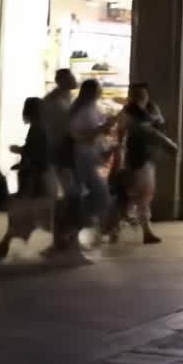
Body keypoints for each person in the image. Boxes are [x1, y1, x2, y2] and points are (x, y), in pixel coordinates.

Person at [0, 97, 56, 260]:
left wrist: (19, 152)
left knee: (21, 213)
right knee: (28, 215)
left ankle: (4, 247)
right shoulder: (41, 128)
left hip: (34, 179)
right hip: (38, 178)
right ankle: (7, 246)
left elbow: (36, 155)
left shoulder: (37, 130)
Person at [107, 83, 177, 245]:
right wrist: (167, 144)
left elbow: (157, 128)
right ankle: (143, 231)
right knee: (139, 194)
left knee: (135, 196)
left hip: (146, 157)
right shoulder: (129, 112)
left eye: (143, 94)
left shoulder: (152, 109)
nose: (140, 97)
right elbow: (141, 131)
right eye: (137, 94)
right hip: (134, 158)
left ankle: (117, 229)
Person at [67, 79, 114, 247]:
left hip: (91, 156)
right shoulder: (82, 111)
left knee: (98, 193)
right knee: (99, 193)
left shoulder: (94, 108)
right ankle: (78, 224)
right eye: (99, 88)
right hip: (83, 157)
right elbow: (78, 135)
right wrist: (102, 129)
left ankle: (83, 226)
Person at [43, 68, 84, 258]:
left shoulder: (65, 99)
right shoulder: (55, 102)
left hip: (67, 153)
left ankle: (63, 240)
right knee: (67, 198)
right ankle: (61, 240)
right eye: (71, 78)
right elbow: (64, 130)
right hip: (62, 154)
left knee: (70, 197)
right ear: (61, 81)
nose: (75, 80)